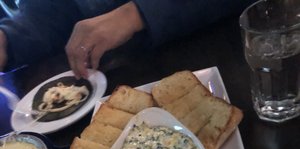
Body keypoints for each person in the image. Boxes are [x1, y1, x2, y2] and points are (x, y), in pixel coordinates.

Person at [0, 0, 256, 79]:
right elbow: (54, 10)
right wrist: (10, 38)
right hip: (123, 77)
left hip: (232, 60)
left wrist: (136, 14)